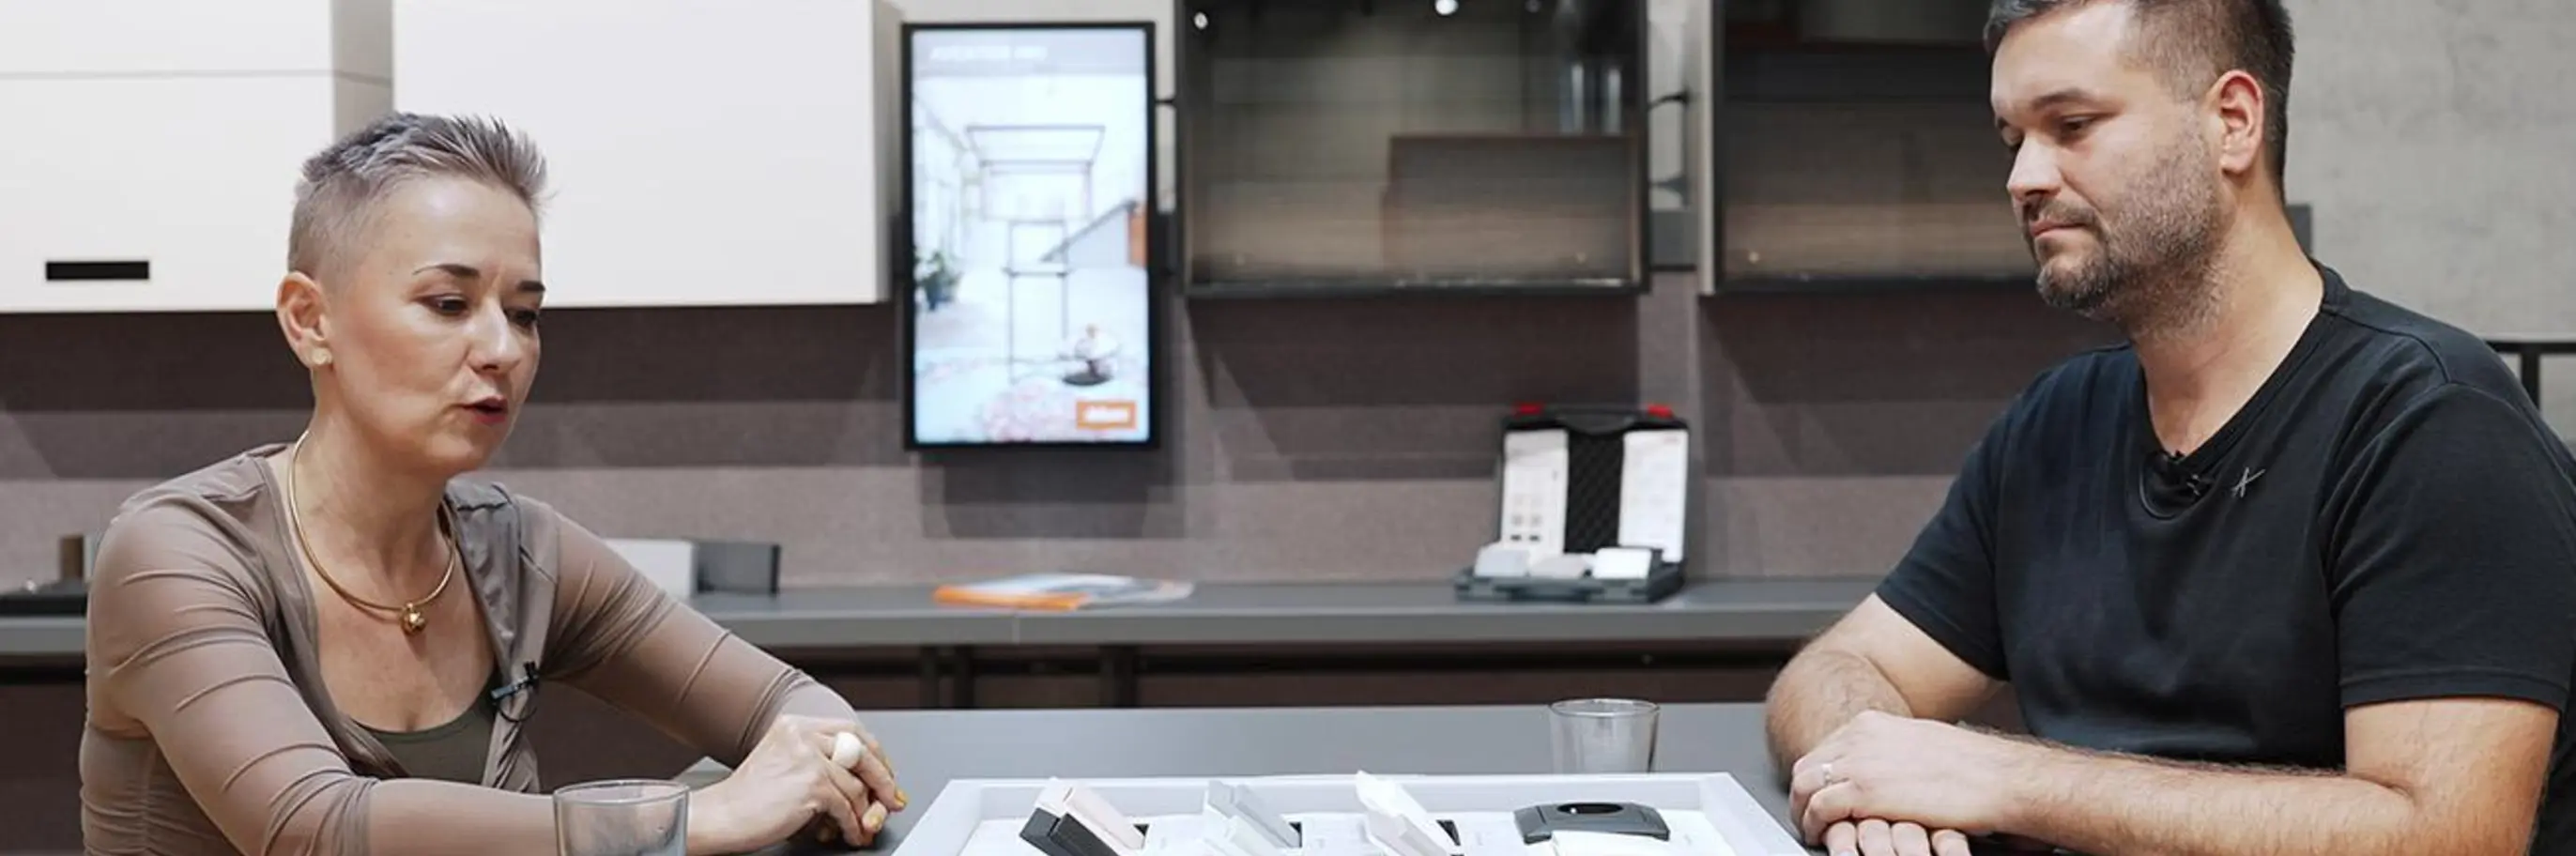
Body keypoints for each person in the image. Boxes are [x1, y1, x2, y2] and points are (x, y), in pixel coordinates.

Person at [1762, 1, 2576, 855]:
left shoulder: (2431, 421)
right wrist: (1873, 775)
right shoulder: (2055, 423)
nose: (2023, 177)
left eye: (2072, 125)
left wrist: (2005, 779)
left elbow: (2447, 834)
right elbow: (1837, 669)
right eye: (2012, 139)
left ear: (2233, 122)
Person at [79, 112, 906, 854]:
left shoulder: (517, 547)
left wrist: (821, 765)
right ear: (310, 320)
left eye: (524, 313)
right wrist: (691, 819)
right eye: (448, 303)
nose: (503, 350)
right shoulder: (177, 552)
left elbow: (794, 706)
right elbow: (314, 826)